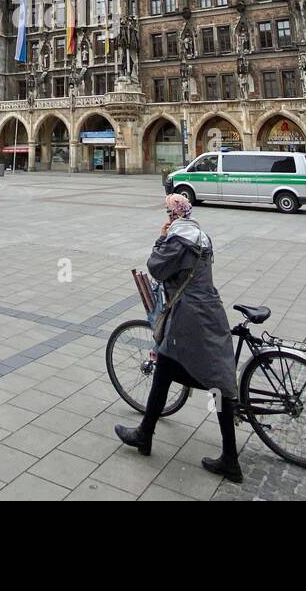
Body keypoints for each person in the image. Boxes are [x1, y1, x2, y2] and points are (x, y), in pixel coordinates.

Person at [115, 193, 242, 483]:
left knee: (212, 383)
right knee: (180, 374)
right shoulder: (200, 234)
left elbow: (156, 266)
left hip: (189, 317)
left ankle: (229, 459)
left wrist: (161, 239)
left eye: (168, 213)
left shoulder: (177, 239)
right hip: (211, 310)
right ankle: (145, 435)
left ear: (173, 215)